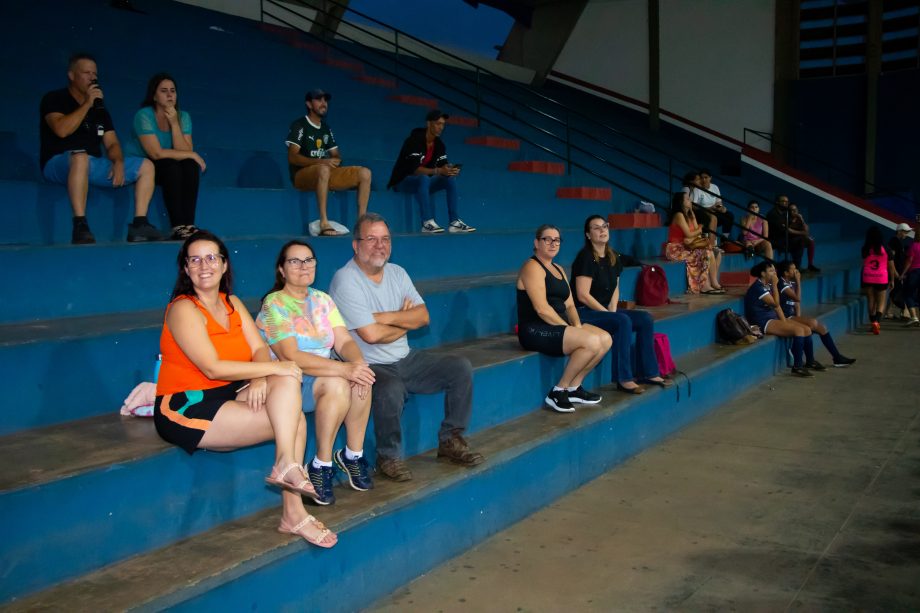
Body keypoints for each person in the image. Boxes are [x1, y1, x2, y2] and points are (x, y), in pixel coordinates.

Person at [154, 230, 336, 548]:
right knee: (292, 412)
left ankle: (286, 467)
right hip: (186, 404)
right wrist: (271, 369)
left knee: (286, 381)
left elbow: (259, 349)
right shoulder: (183, 309)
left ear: (225, 265)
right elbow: (212, 367)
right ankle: (292, 508)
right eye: (194, 259)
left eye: (212, 257)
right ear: (185, 269)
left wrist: (262, 378)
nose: (203, 265)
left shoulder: (232, 303)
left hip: (229, 392)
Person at [329, 213, 484, 482]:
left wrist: (385, 317)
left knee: (460, 368)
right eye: (372, 239)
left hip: (406, 358)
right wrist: (403, 321)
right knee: (390, 387)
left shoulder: (398, 273)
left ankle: (450, 440)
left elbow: (423, 317)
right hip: (369, 364)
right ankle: (388, 456)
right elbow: (371, 335)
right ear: (355, 245)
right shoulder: (345, 280)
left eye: (386, 239)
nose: (380, 246)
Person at [257, 240, 376, 505]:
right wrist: (345, 369)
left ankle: (352, 456)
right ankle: (321, 464)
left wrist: (358, 364)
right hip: (287, 383)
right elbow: (292, 355)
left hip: (321, 376)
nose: (304, 266)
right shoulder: (273, 304)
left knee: (361, 377)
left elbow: (344, 341)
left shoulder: (323, 300)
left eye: (309, 260)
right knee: (340, 381)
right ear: (281, 270)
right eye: (295, 261)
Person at [39, 52, 163, 244]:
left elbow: (111, 143)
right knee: (80, 157)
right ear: (71, 75)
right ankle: (80, 225)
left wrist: (118, 161)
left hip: (91, 164)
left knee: (146, 165)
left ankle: (139, 225)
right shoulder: (54, 99)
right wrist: (87, 103)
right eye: (87, 73)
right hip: (58, 163)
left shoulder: (99, 109)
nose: (93, 78)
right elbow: (61, 130)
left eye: (95, 73)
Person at [571, 215, 672, 394]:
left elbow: (615, 289)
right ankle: (623, 378)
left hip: (603, 310)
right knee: (622, 321)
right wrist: (610, 315)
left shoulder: (612, 256)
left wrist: (612, 310)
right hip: (583, 311)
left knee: (645, 319)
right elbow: (583, 295)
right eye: (596, 228)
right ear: (588, 235)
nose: (602, 230)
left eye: (604, 226)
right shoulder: (585, 257)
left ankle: (648, 372)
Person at [516, 224, 612, 411]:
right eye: (547, 239)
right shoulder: (531, 267)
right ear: (537, 243)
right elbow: (542, 309)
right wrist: (567, 329)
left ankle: (574, 387)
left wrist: (576, 325)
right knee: (591, 342)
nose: (553, 243)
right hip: (535, 329)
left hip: (557, 325)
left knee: (605, 339)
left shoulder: (558, 268)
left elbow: (569, 304)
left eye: (557, 240)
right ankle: (558, 391)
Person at [126, 73, 205, 240]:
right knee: (171, 166)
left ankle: (188, 226)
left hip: (166, 161)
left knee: (190, 165)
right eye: (164, 91)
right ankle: (177, 227)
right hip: (144, 164)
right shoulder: (144, 115)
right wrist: (192, 154)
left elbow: (185, 152)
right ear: (154, 96)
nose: (170, 95)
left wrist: (175, 123)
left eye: (173, 91)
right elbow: (155, 153)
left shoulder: (183, 116)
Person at [285, 89, 371, 236]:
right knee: (323, 169)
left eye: (325, 100)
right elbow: (293, 157)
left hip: (324, 173)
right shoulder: (300, 125)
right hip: (301, 175)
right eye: (319, 100)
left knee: (365, 173)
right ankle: (324, 222)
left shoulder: (325, 128)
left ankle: (361, 224)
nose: (324, 103)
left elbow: (336, 154)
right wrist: (322, 161)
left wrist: (335, 160)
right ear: (309, 104)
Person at [387, 109, 476, 234]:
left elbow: (442, 165)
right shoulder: (414, 140)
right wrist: (438, 170)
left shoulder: (439, 144)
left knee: (449, 179)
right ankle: (427, 222)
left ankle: (454, 222)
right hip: (403, 182)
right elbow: (415, 170)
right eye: (437, 123)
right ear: (429, 124)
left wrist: (448, 169)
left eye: (443, 124)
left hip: (425, 184)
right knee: (424, 177)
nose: (441, 127)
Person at [776, 260, 856, 367]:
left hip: (793, 316)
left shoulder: (790, 283)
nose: (796, 271)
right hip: (784, 317)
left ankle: (837, 357)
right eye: (793, 269)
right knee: (812, 323)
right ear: (786, 273)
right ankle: (810, 360)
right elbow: (798, 298)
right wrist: (799, 281)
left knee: (821, 327)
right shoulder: (782, 284)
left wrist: (799, 319)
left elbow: (796, 304)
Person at [744, 261, 816, 377]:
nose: (774, 273)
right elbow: (776, 303)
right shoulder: (758, 287)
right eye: (771, 271)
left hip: (772, 317)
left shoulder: (768, 285)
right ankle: (797, 366)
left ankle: (810, 361)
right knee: (799, 331)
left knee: (806, 329)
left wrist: (785, 322)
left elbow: (777, 309)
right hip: (762, 321)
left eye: (774, 270)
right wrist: (776, 286)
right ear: (763, 274)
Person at [665, 191, 724, 294]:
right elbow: (689, 233)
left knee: (716, 253)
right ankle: (704, 285)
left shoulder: (689, 215)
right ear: (681, 202)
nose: (690, 201)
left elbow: (695, 233)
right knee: (705, 253)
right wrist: (699, 230)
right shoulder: (678, 215)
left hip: (687, 245)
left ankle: (714, 283)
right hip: (676, 248)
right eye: (687, 199)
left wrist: (693, 217)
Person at [861, 225, 896, 334]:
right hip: (881, 278)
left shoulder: (865, 249)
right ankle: (877, 322)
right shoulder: (886, 249)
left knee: (871, 301)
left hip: (867, 277)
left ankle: (873, 323)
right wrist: (892, 280)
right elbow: (891, 267)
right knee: (881, 302)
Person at [693, 169, 735, 240]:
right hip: (703, 213)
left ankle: (724, 239)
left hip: (714, 211)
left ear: (710, 178)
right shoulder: (697, 189)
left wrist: (721, 208)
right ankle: (709, 242)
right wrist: (709, 208)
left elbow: (719, 202)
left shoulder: (715, 187)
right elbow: (694, 206)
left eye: (706, 177)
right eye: (701, 178)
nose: (703, 180)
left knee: (729, 215)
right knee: (710, 218)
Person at [766, 195, 804, 270]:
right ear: (777, 202)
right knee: (800, 240)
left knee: (803, 240)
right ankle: (795, 268)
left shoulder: (785, 213)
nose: (786, 203)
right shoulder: (772, 214)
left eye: (787, 202)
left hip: (784, 237)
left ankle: (796, 267)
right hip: (775, 240)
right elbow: (784, 229)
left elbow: (788, 227)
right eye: (783, 201)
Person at [886, 222, 915, 319]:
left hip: (898, 272)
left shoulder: (899, 242)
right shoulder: (894, 242)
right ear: (899, 231)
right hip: (895, 272)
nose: (907, 234)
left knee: (894, 292)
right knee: (895, 292)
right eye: (905, 232)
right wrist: (896, 273)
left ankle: (889, 312)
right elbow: (891, 260)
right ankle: (902, 311)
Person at [898, 224, 920, 327]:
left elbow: (909, 261)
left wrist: (902, 274)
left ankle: (914, 317)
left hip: (914, 273)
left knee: (908, 294)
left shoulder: (914, 246)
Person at [788, 204, 819, 272]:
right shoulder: (787, 219)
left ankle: (810, 265)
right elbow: (789, 231)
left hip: (800, 238)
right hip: (790, 240)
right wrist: (802, 233)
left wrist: (802, 219)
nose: (793, 212)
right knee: (802, 240)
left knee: (811, 241)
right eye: (791, 210)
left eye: (795, 210)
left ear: (797, 210)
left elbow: (806, 231)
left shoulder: (799, 219)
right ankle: (798, 267)